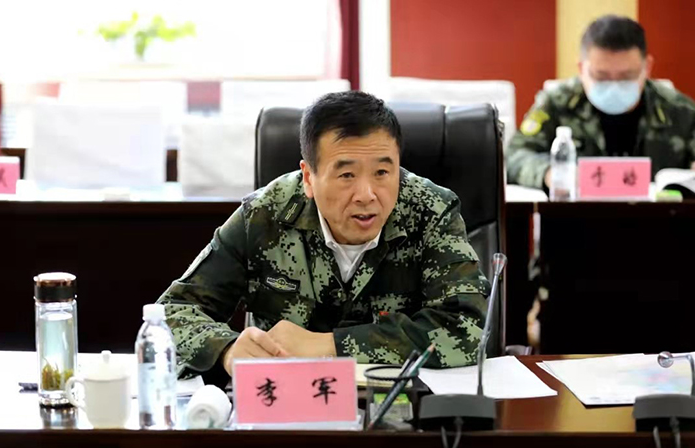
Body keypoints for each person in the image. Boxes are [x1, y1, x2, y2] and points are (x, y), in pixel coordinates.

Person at [158, 91, 490, 383]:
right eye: (346, 175)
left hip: (402, 411)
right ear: (308, 177)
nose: (367, 194)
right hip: (286, 408)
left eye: (382, 172)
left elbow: (469, 328)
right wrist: (227, 349)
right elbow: (170, 314)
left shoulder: (432, 211)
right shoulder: (263, 215)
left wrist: (328, 345)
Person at [507, 15, 695, 190]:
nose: (614, 85)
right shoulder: (557, 104)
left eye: (626, 76)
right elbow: (514, 156)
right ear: (581, 68)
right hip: (577, 212)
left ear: (647, 68)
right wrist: (550, 173)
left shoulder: (679, 111)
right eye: (601, 76)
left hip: (657, 214)